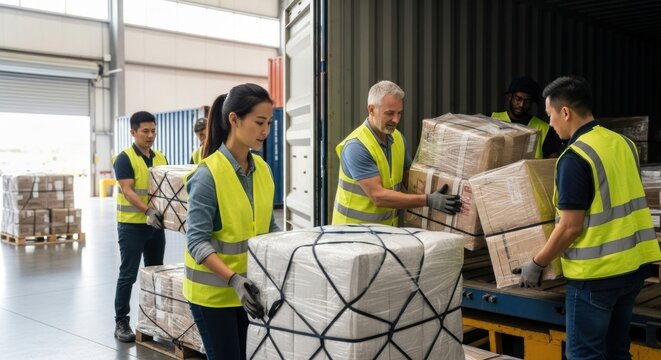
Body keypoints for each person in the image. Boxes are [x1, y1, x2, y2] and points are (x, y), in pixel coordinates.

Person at [513, 76, 661, 359]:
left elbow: (570, 227)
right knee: (617, 351)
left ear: (565, 112)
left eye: (550, 115)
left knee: (584, 355)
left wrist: (537, 262)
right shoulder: (624, 143)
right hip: (633, 269)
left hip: (596, 276)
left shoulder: (575, 157)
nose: (551, 124)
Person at [184, 83, 280, 360]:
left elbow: (268, 227)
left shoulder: (262, 169)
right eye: (259, 122)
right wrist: (234, 280)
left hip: (248, 292)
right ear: (234, 119)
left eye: (269, 123)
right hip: (213, 296)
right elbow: (196, 241)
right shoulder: (207, 174)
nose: (265, 130)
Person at [332, 80, 461, 226]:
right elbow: (378, 197)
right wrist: (428, 200)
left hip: (385, 232)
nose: (396, 119)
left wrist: (444, 186)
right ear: (371, 109)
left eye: (399, 113)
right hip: (353, 235)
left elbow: (409, 179)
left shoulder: (397, 138)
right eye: (390, 113)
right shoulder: (357, 146)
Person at [113, 111, 168, 342]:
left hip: (156, 226)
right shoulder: (124, 158)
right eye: (145, 131)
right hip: (132, 226)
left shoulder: (161, 157)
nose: (150, 135)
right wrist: (148, 210)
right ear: (133, 132)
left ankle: (153, 319)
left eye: (153, 130)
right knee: (128, 275)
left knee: (155, 273)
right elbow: (128, 191)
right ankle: (121, 322)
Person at [492, 76, 561, 158]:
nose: (521, 105)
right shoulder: (492, 119)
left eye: (527, 101)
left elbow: (553, 160)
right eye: (518, 99)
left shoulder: (543, 128)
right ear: (510, 97)